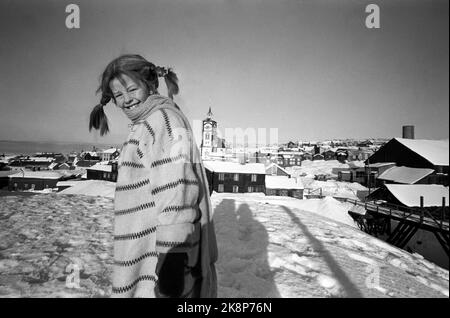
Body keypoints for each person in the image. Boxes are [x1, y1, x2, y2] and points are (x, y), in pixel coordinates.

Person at [89, 54, 218, 298]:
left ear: (149, 84)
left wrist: (172, 262)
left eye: (131, 89)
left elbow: (176, 188)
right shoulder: (150, 121)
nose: (126, 100)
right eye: (118, 95)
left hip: (161, 262)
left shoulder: (161, 121)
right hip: (150, 253)